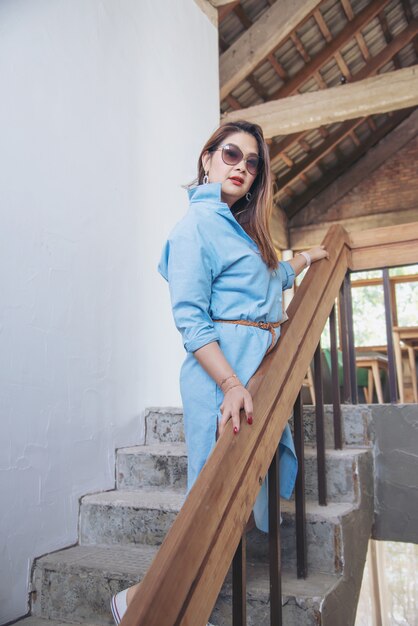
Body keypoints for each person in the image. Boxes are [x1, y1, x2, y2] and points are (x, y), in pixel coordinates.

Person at [110, 120, 328, 625]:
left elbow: (270, 278)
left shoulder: (241, 228)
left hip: (256, 371)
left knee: (234, 490)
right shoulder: (194, 228)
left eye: (252, 164)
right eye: (232, 154)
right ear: (207, 158)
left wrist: (306, 258)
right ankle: (145, 601)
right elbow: (190, 318)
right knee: (209, 495)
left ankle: (165, 600)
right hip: (221, 376)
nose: (242, 168)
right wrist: (229, 383)